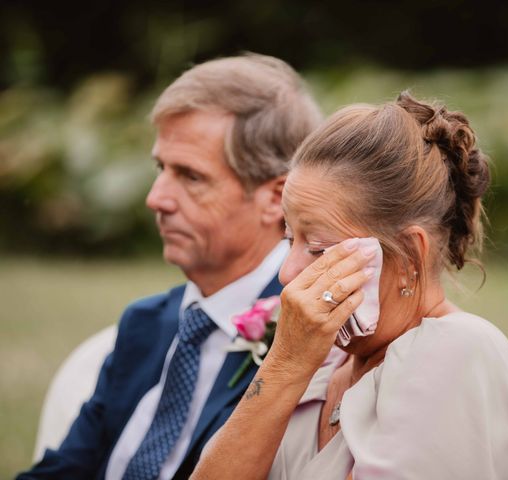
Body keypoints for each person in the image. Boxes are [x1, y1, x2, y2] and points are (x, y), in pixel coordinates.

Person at [191, 92, 508, 479]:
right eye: (288, 239)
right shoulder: (324, 365)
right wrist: (286, 367)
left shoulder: (455, 353)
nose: (286, 274)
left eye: (318, 248)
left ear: (409, 256)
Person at [18, 53, 322, 480]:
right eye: (162, 168)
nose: (156, 198)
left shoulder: (312, 336)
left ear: (276, 198)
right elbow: (65, 470)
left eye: (191, 177)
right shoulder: (144, 324)